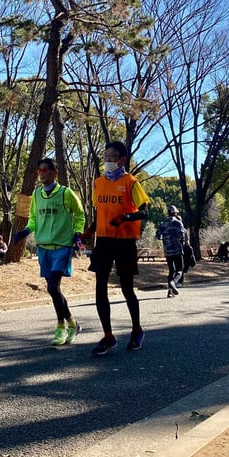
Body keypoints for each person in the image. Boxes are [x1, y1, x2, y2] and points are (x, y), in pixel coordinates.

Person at [13, 157, 85, 346]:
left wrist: (78, 234)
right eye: (39, 170)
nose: (42, 173)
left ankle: (60, 327)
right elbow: (34, 218)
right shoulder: (36, 194)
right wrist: (26, 231)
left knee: (53, 287)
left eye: (45, 170)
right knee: (55, 290)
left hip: (62, 247)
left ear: (55, 173)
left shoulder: (65, 193)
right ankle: (73, 323)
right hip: (44, 247)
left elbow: (79, 215)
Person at [89, 141, 149, 356]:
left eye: (112, 156)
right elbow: (100, 213)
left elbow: (145, 212)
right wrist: (87, 232)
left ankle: (136, 330)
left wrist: (125, 217)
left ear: (122, 159)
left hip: (124, 241)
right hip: (103, 241)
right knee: (99, 289)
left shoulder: (131, 182)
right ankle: (108, 337)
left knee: (126, 288)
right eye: (105, 156)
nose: (108, 160)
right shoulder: (98, 183)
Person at [156, 205, 186, 298]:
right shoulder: (178, 222)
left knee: (171, 271)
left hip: (167, 251)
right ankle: (173, 282)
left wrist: (165, 237)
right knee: (180, 270)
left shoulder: (162, 224)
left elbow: (158, 236)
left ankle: (170, 292)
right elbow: (182, 235)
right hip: (177, 249)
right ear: (176, 213)